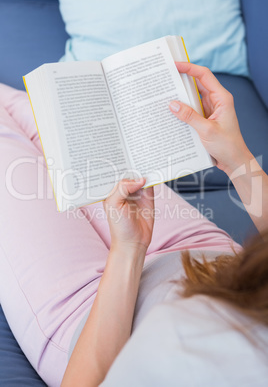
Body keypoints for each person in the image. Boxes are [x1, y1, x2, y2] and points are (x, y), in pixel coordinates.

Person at [0, 62, 267, 387]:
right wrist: (236, 156)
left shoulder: (198, 357)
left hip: (94, 315)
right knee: (50, 123)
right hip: (209, 259)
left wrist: (128, 249)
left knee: (6, 145)